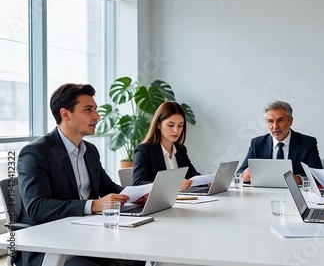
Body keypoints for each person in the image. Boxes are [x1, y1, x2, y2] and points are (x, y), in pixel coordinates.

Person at [16, 84, 145, 266]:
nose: (97, 116)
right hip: (48, 244)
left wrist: (137, 195)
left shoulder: (90, 151)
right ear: (65, 114)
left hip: (86, 236)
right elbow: (38, 207)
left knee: (138, 257)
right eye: (88, 109)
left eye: (95, 109)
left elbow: (108, 188)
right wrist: (93, 205)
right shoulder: (35, 153)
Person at [237, 101, 323, 184]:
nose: (275, 126)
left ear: (290, 121)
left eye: (280, 120)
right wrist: (244, 175)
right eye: (270, 121)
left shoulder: (307, 143)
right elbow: (239, 173)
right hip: (263, 194)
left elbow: (319, 177)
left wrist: (299, 179)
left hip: (295, 194)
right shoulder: (257, 143)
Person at [133, 101, 200, 191]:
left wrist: (204, 182)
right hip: (160, 203)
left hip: (183, 200)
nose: (176, 130)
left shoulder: (180, 150)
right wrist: (172, 184)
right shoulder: (144, 150)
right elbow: (138, 184)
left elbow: (192, 175)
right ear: (158, 124)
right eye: (170, 125)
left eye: (180, 126)